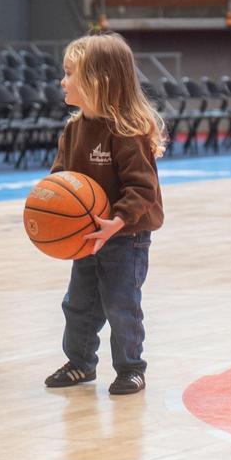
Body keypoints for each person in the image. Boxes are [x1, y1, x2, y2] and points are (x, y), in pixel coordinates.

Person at [43, 33, 164, 396]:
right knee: (78, 304)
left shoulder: (128, 131)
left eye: (69, 74)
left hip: (125, 236)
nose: (62, 82)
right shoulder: (73, 128)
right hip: (87, 236)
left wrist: (118, 220)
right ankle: (80, 363)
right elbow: (61, 176)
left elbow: (143, 189)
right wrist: (50, 203)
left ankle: (131, 368)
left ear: (99, 81)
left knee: (120, 305)